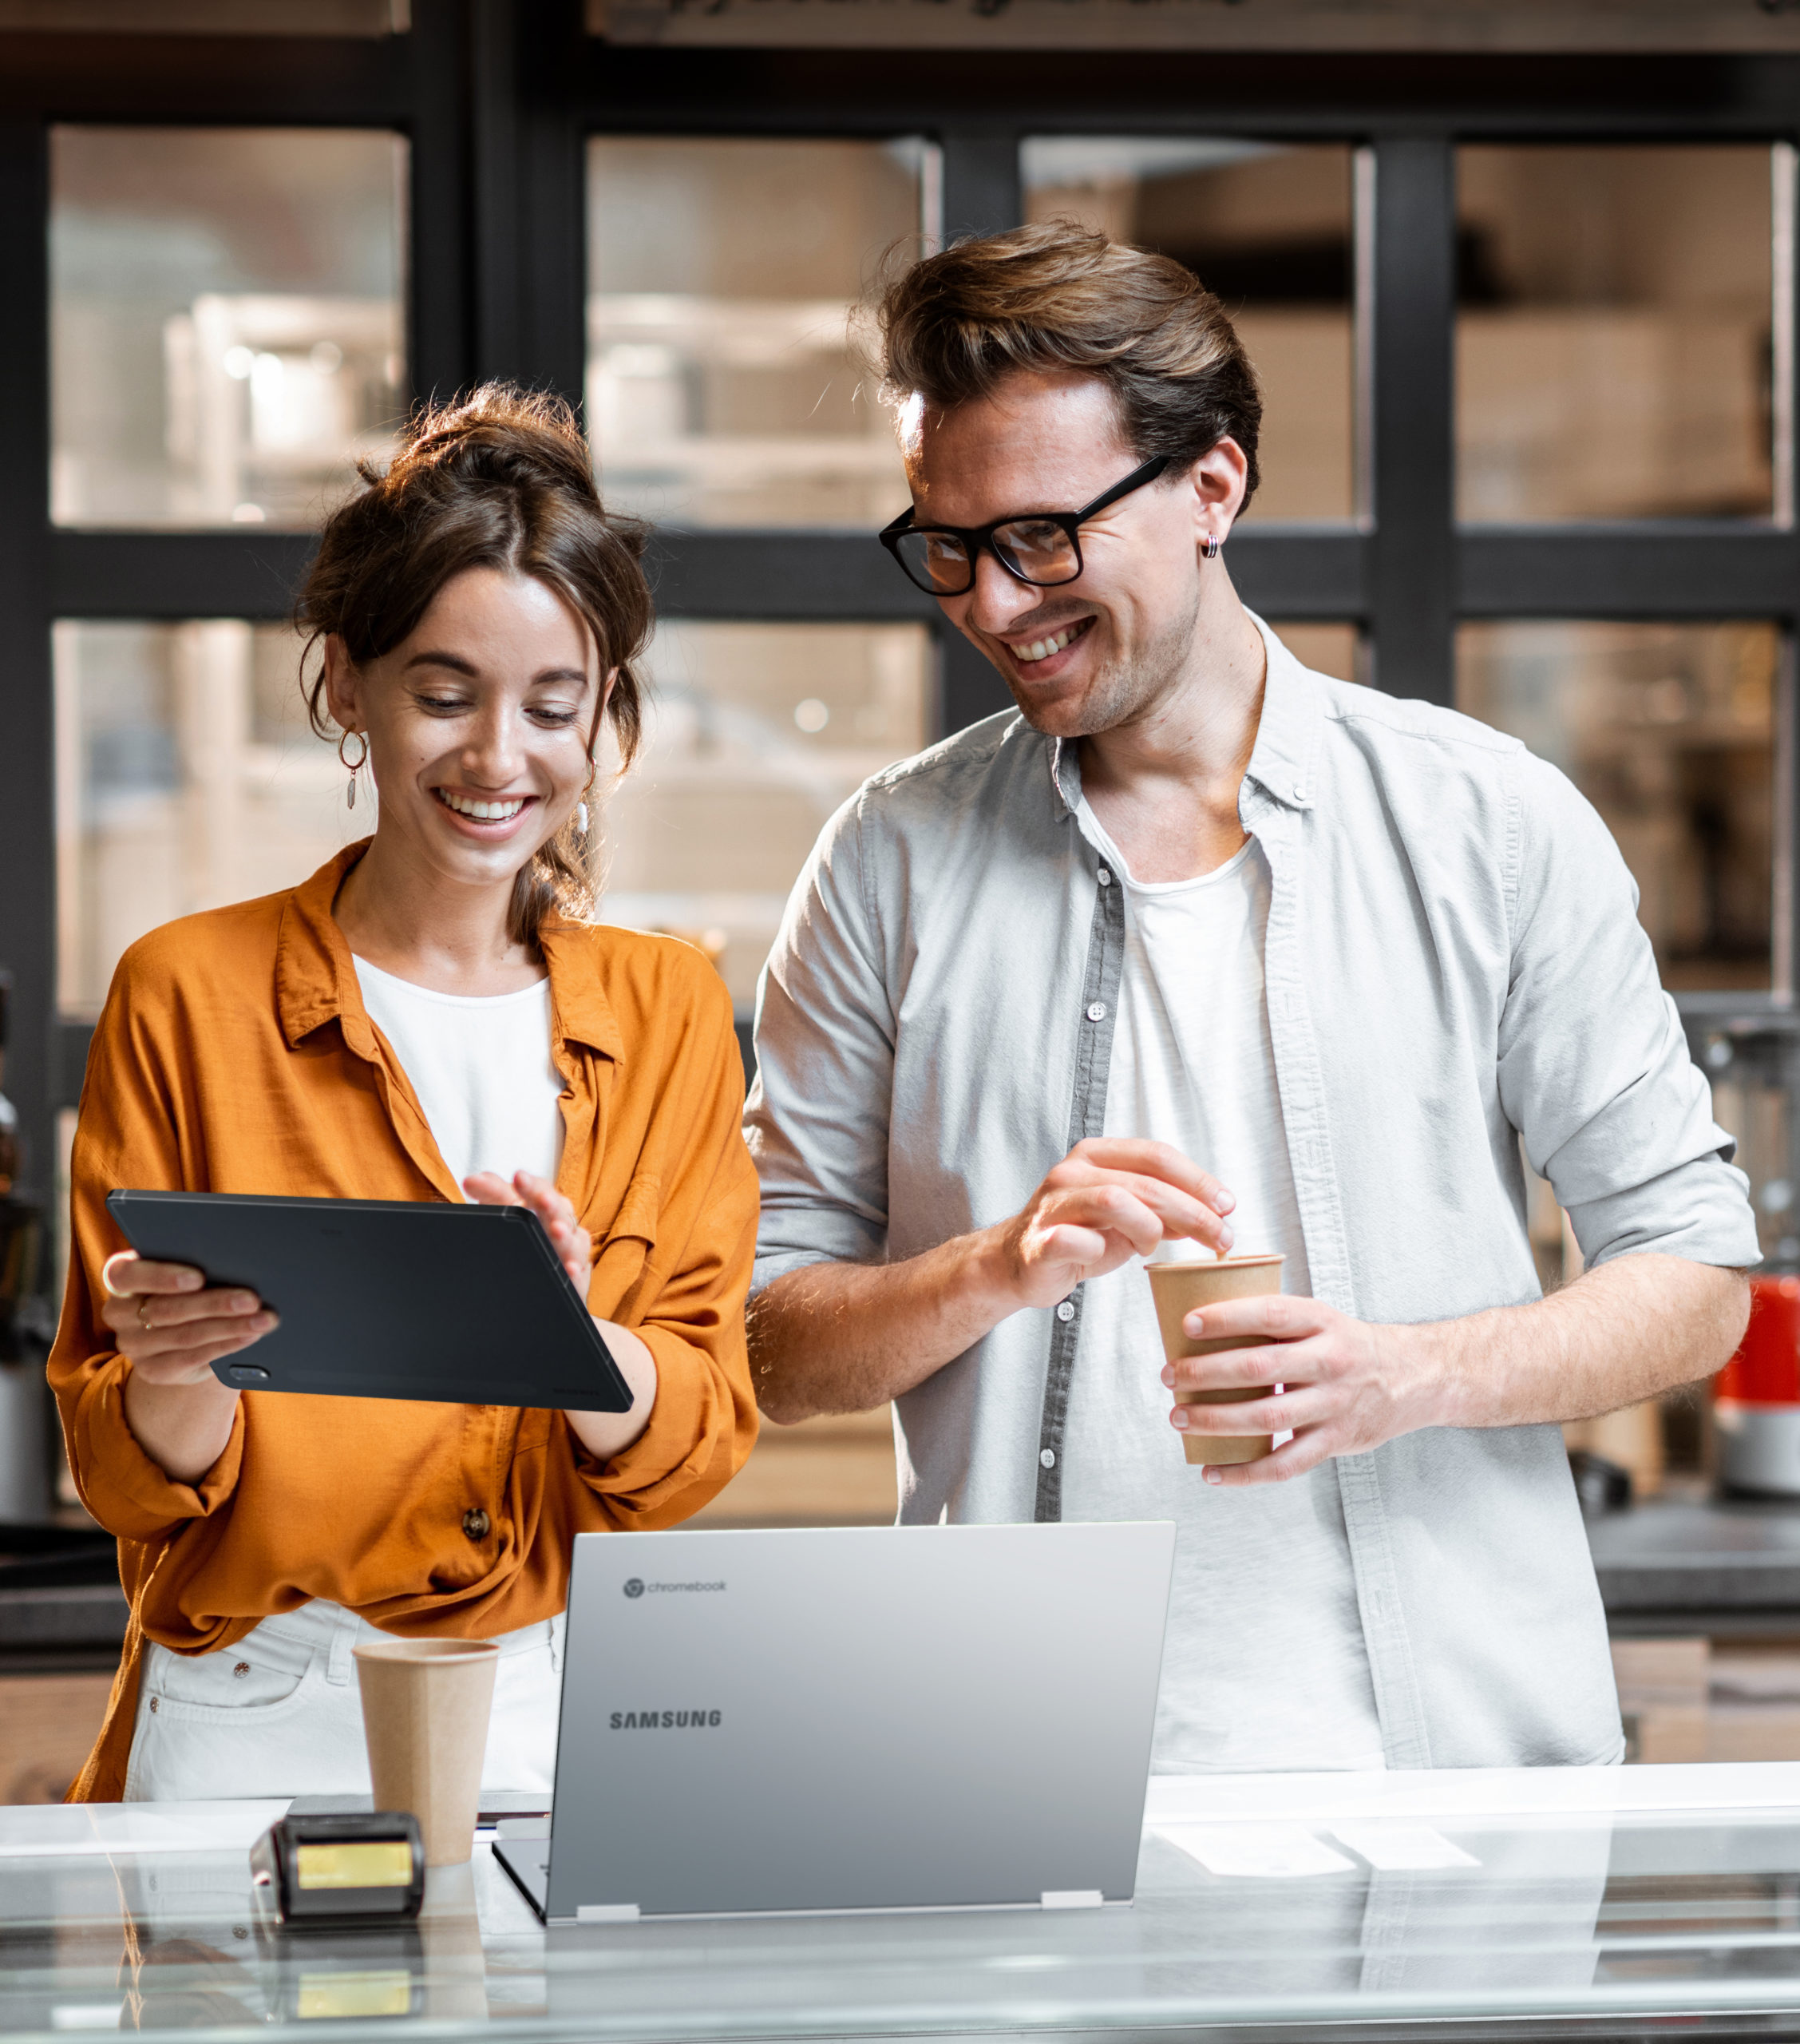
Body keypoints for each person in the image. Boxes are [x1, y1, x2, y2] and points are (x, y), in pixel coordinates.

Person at [745, 225, 1757, 1773]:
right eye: (947, 545)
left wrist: (1406, 1371)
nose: (993, 604)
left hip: (1447, 1787)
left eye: (1040, 536)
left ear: (1212, 488)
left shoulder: (1486, 820)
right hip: (996, 1776)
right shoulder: (888, 861)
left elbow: (1693, 1272)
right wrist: (987, 1270)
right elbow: (761, 1334)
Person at [50, 386, 758, 1803]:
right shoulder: (186, 991)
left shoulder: (670, 1006)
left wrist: (566, 1341)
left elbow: (689, 1448)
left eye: (554, 707)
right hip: (257, 1699)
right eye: (445, 695)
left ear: (605, 715)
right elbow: (128, 1478)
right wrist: (180, 1367)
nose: (500, 760)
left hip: (557, 1704)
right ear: (346, 686)